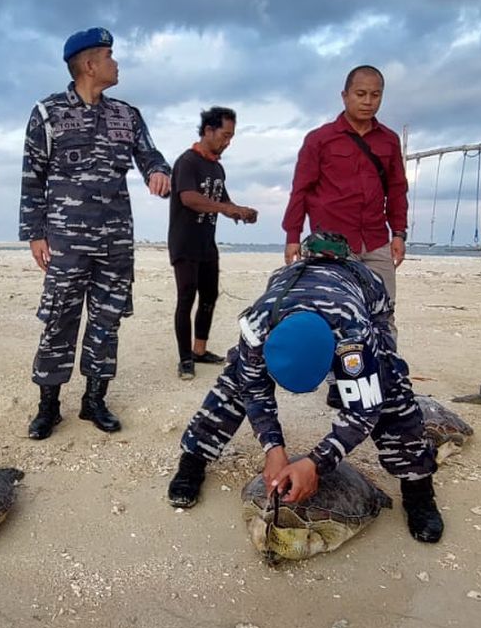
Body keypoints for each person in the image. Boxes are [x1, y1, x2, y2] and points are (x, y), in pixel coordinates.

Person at [164, 232, 444, 544]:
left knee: (390, 386)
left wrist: (317, 463)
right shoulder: (258, 323)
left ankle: (418, 487)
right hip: (288, 322)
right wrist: (272, 447)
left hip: (359, 323)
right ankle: (193, 459)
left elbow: (365, 409)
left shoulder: (355, 322)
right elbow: (254, 390)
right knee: (235, 380)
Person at [20, 27, 171, 439]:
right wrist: (35, 234)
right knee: (59, 319)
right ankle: (48, 407)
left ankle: (94, 401)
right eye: (109, 56)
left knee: (107, 321)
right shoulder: (48, 113)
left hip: (115, 240)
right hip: (66, 241)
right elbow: (32, 178)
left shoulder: (127, 114)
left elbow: (151, 155)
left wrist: (158, 172)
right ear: (89, 65)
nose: (116, 63)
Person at [280, 65, 408, 341]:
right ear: (345, 95)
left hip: (376, 241)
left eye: (375, 95)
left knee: (383, 314)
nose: (368, 101)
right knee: (334, 314)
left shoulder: (388, 140)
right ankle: (339, 369)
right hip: (331, 245)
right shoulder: (319, 139)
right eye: (360, 94)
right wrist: (292, 236)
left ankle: (386, 366)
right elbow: (300, 190)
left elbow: (397, 189)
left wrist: (398, 233)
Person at [168, 106, 258, 380]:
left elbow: (223, 200)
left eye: (231, 137)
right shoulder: (187, 161)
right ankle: (185, 359)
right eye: (225, 135)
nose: (228, 142)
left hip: (207, 243)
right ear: (208, 130)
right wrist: (226, 208)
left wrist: (240, 211)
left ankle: (199, 350)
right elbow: (189, 198)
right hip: (185, 243)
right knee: (186, 298)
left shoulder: (217, 168)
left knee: (209, 296)